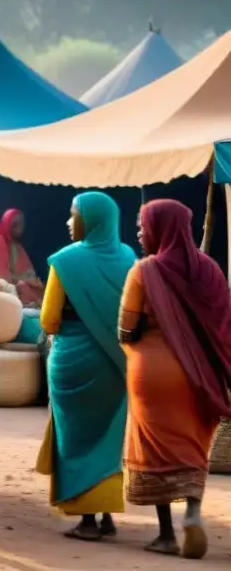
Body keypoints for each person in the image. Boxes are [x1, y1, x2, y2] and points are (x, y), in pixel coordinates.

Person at [119, 199, 231, 560]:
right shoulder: (212, 270)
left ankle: (166, 534)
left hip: (151, 372)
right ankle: (194, 512)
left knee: (153, 447)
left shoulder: (144, 271)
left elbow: (126, 328)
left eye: (142, 225)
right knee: (193, 445)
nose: (139, 232)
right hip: (201, 375)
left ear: (160, 227)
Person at [35, 192, 135, 540]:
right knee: (107, 440)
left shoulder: (66, 261)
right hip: (116, 366)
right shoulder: (128, 257)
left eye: (73, 215)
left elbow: (48, 320)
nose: (68, 222)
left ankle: (88, 521)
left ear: (90, 221)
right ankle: (106, 516)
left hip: (73, 361)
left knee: (76, 439)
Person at [0, 208, 45, 305]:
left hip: (17, 288)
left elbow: (29, 272)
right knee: (23, 287)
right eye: (15, 225)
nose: (19, 228)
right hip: (0, 294)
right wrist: (25, 280)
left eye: (21, 224)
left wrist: (33, 281)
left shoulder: (17, 247)